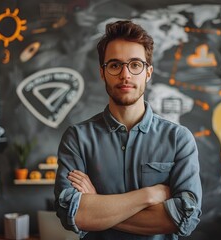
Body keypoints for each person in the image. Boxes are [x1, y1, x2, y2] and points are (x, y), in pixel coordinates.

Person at [54, 20, 202, 240]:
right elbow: (72, 215)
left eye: (135, 64)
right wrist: (150, 195)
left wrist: (98, 206)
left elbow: (183, 218)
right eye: (115, 65)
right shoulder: (77, 138)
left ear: (148, 72)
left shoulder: (179, 139)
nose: (125, 75)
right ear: (103, 73)